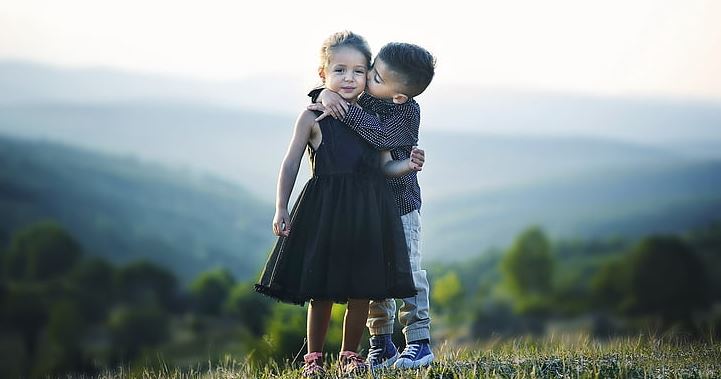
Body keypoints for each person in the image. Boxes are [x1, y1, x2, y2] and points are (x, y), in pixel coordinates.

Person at [254, 31, 424, 377]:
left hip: (367, 216)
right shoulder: (313, 115)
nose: (349, 78)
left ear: (369, 75)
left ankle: (351, 355)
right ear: (323, 75)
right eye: (340, 70)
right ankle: (313, 359)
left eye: (359, 71)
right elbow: (290, 163)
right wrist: (281, 207)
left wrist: (407, 165)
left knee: (363, 289)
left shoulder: (368, 117)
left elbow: (384, 165)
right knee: (321, 289)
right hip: (326, 214)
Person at [307, 41, 436, 370]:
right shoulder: (367, 95)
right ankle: (382, 343)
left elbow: (378, 137)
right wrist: (323, 94)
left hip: (400, 205)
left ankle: (418, 341)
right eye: (371, 70)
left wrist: (343, 108)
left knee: (406, 271)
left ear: (399, 95)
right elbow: (336, 86)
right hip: (367, 208)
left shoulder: (406, 112)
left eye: (374, 77)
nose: (365, 80)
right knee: (372, 276)